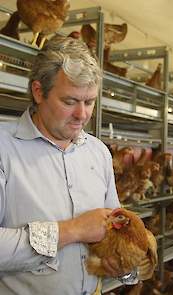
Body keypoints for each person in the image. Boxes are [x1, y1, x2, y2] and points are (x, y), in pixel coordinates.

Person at [0, 35, 125, 295]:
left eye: (89, 102)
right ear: (38, 91)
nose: (82, 115)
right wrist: (74, 230)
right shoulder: (5, 149)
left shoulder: (98, 152)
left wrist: (121, 257)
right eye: (70, 101)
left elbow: (116, 224)